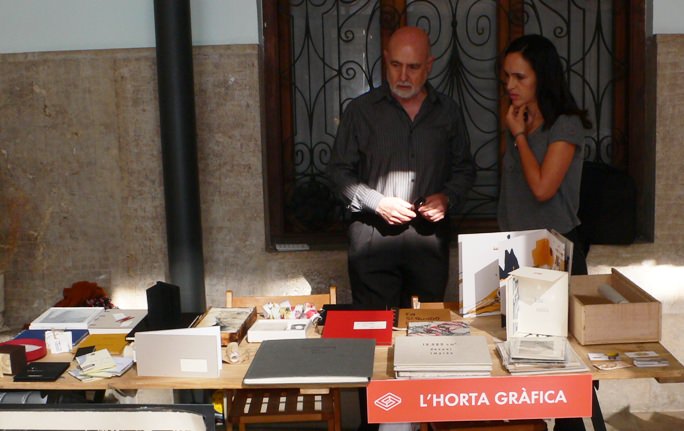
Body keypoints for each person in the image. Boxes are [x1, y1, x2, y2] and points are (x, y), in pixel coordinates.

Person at [327, 25, 476, 311]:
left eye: (413, 67)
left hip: (429, 240)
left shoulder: (448, 111)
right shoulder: (361, 111)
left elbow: (465, 169)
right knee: (375, 330)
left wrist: (446, 198)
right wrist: (378, 203)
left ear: (429, 66)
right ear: (385, 59)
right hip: (372, 238)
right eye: (396, 65)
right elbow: (337, 173)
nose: (403, 76)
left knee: (425, 328)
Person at [499, 34, 601, 431]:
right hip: (516, 253)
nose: (510, 85)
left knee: (568, 366)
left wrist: (520, 137)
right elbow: (514, 194)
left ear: (542, 77)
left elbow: (543, 188)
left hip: (555, 254)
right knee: (521, 359)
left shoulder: (565, 124)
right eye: (506, 76)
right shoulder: (519, 119)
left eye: (520, 77)